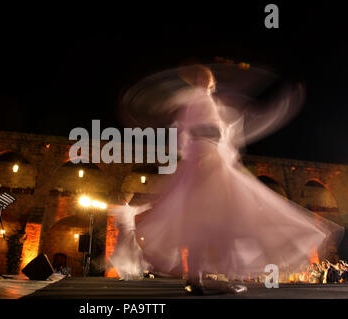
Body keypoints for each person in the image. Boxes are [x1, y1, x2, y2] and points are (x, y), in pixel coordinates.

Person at [126, 64, 343, 294]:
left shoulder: (212, 105)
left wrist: (279, 106)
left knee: (209, 220)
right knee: (214, 218)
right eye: (202, 78)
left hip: (208, 160)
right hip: (205, 162)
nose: (207, 82)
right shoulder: (196, 101)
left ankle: (200, 276)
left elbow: (228, 131)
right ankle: (200, 276)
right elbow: (190, 132)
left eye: (206, 78)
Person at [107, 193, 152, 281]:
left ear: (124, 200)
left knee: (131, 251)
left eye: (122, 199)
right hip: (125, 232)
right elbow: (116, 221)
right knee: (124, 252)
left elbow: (140, 209)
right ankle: (126, 273)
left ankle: (135, 272)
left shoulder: (128, 209)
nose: (121, 201)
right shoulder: (123, 209)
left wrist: (149, 205)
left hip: (128, 232)